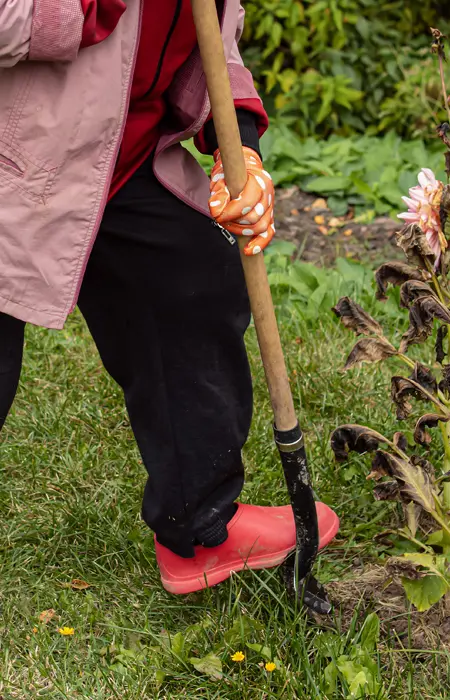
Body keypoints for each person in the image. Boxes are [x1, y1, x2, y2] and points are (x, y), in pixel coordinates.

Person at [0, 0, 339, 595]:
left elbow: (213, 34)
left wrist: (243, 143)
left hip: (116, 162)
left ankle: (201, 528)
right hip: (16, 157)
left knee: (190, 283)